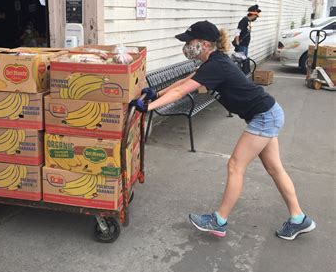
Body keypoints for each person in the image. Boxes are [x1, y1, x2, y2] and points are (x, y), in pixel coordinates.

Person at [131, 20, 316, 241]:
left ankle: (219, 221)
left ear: (205, 44)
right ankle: (299, 219)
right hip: (268, 113)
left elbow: (182, 91)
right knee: (275, 169)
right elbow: (185, 81)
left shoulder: (216, 64)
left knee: (235, 165)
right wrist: (156, 94)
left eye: (190, 42)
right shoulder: (213, 62)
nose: (186, 46)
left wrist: (147, 107)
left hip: (264, 117)